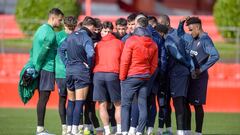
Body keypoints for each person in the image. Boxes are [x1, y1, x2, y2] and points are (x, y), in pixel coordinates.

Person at [178, 16, 219, 135]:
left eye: (191, 30)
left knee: (197, 105)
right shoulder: (192, 37)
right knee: (185, 103)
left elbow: (215, 55)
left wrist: (201, 69)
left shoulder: (205, 40)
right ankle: (187, 131)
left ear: (197, 27)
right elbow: (181, 35)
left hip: (199, 77)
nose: (189, 33)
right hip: (188, 76)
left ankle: (198, 132)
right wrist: (181, 24)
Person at [120, 15, 158, 135]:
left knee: (125, 105)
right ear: (147, 26)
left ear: (137, 24)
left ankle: (125, 131)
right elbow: (154, 64)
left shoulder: (131, 40)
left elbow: (125, 60)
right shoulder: (153, 43)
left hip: (131, 76)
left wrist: (122, 77)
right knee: (142, 105)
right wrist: (148, 73)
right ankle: (140, 131)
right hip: (145, 77)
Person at [59, 16, 96, 135]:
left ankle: (69, 129)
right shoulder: (86, 38)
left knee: (71, 101)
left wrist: (66, 64)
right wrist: (88, 66)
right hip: (81, 72)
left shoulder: (69, 37)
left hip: (69, 71)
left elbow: (60, 50)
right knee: (80, 102)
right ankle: (75, 130)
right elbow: (90, 54)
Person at [158, 14, 193, 135]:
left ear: (167, 23)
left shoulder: (174, 36)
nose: (158, 25)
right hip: (169, 75)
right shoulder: (164, 37)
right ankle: (176, 130)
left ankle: (182, 131)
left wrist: (189, 65)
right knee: (170, 103)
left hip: (178, 74)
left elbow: (179, 55)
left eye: (160, 23)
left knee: (180, 102)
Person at [32, 8, 64, 135]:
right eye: (60, 20)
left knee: (42, 98)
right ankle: (40, 129)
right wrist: (38, 68)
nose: (61, 23)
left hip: (40, 67)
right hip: (46, 68)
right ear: (53, 18)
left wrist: (34, 65)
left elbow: (33, 48)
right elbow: (42, 53)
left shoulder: (40, 29)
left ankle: (40, 128)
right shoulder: (50, 34)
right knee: (43, 98)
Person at [93, 21, 123, 135]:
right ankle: (119, 130)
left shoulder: (98, 44)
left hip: (98, 74)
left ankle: (106, 130)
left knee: (102, 104)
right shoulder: (119, 43)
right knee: (118, 104)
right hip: (113, 74)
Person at [55, 16, 77, 135]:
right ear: (64, 26)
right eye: (70, 28)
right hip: (61, 73)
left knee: (77, 100)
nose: (72, 30)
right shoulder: (58, 36)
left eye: (74, 28)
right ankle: (65, 127)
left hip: (75, 72)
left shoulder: (77, 35)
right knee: (63, 99)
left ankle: (74, 126)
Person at [154, 23, 173, 135]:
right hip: (165, 77)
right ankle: (167, 129)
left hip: (162, 78)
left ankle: (162, 129)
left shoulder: (163, 43)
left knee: (163, 104)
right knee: (165, 104)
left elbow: (164, 62)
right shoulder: (167, 42)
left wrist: (161, 75)